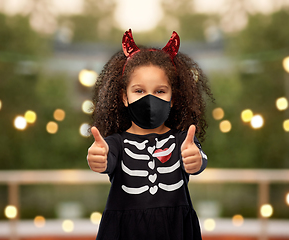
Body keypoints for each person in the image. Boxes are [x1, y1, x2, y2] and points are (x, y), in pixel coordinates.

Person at [87, 29, 213, 240]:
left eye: (160, 91)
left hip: (176, 231)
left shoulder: (183, 140)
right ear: (124, 97)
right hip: (125, 232)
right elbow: (106, 159)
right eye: (139, 91)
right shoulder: (116, 144)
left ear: (173, 98)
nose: (149, 99)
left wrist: (196, 160)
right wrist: (97, 158)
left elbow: (199, 159)